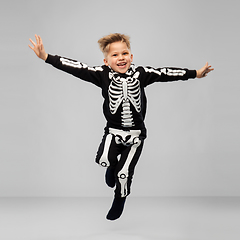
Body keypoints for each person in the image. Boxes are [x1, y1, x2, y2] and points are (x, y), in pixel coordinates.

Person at [28, 33, 214, 220]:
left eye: (124, 54)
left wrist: (195, 74)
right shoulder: (102, 75)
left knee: (124, 175)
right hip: (113, 132)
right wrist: (46, 57)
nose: (121, 58)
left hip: (136, 136)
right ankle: (112, 168)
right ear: (106, 61)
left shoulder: (141, 74)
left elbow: (165, 72)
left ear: (131, 57)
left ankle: (120, 197)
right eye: (115, 55)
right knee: (103, 160)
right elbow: (77, 67)